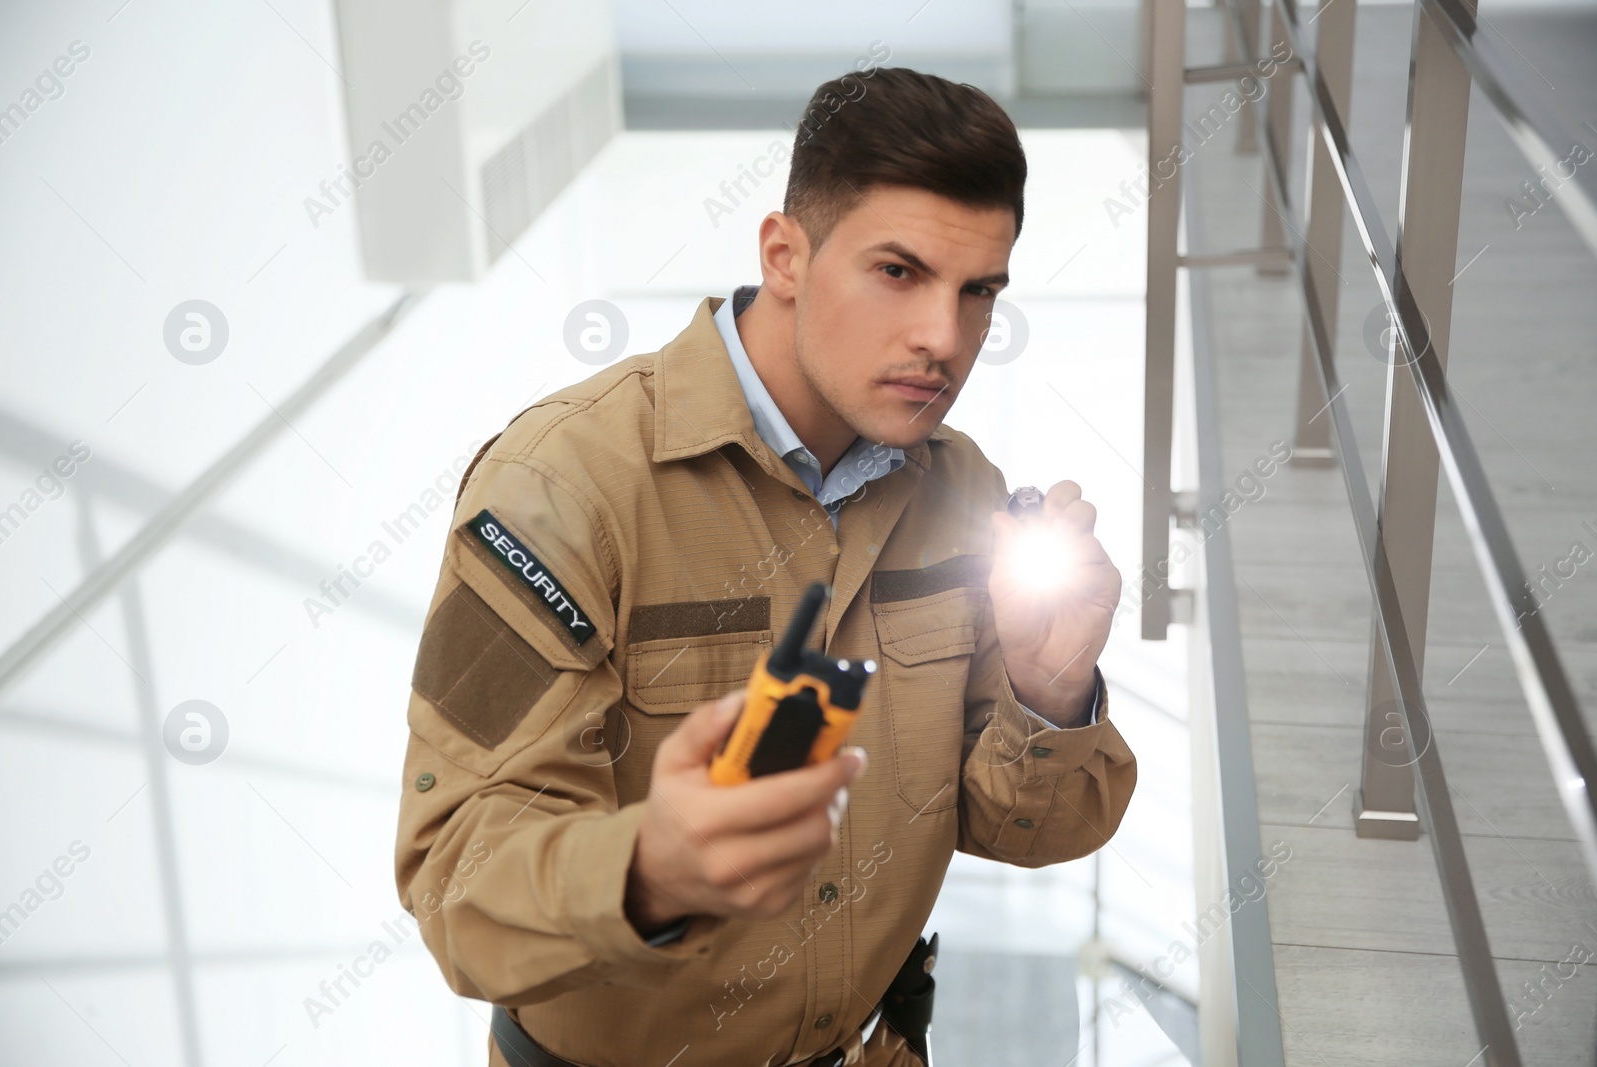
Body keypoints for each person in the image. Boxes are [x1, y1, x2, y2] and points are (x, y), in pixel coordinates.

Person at [394, 66, 1137, 1067]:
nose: (943, 339)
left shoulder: (964, 491)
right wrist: (651, 867)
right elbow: (457, 878)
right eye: (898, 272)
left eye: (978, 293)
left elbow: (1013, 827)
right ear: (784, 255)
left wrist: (1047, 695)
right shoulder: (557, 487)